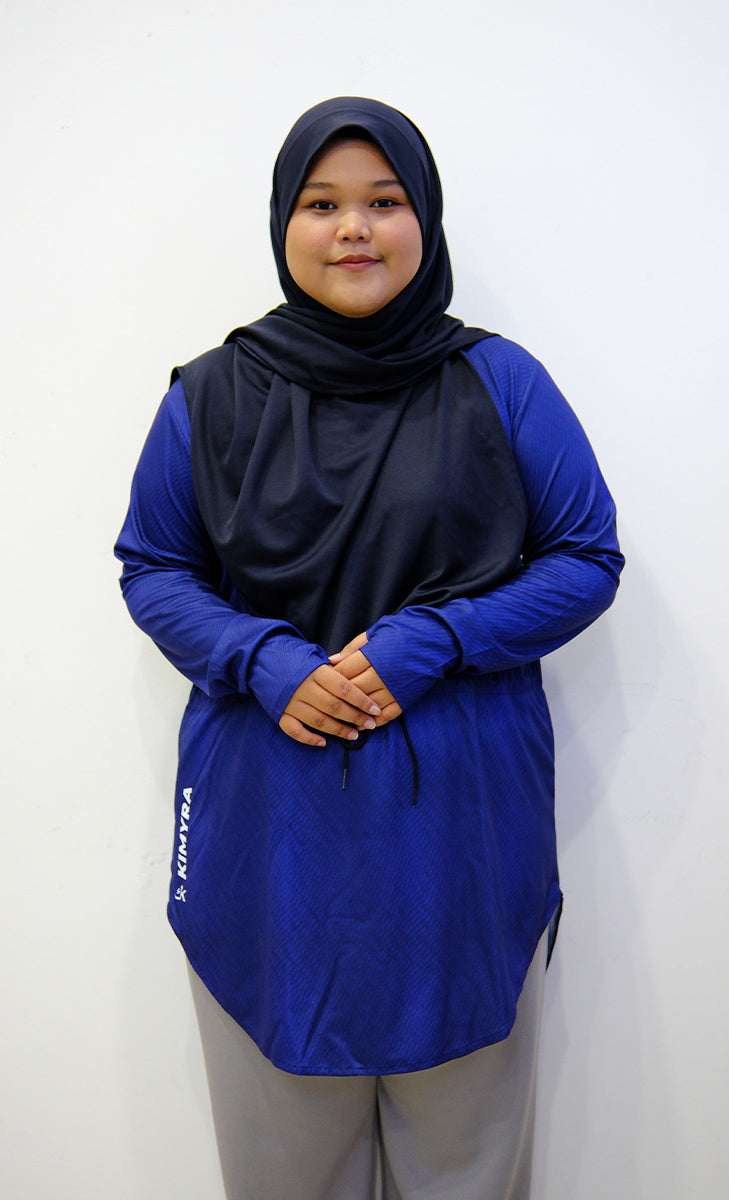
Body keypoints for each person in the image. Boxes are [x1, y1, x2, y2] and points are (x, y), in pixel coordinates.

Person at [115, 97, 623, 1200]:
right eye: (322, 204)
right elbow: (153, 566)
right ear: (282, 225)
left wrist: (435, 638)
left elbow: (586, 557)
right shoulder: (210, 395)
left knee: (467, 1159)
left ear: (424, 220)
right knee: (283, 1162)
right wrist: (263, 660)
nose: (353, 228)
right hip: (270, 830)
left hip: (460, 828)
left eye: (384, 201)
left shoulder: (499, 382)